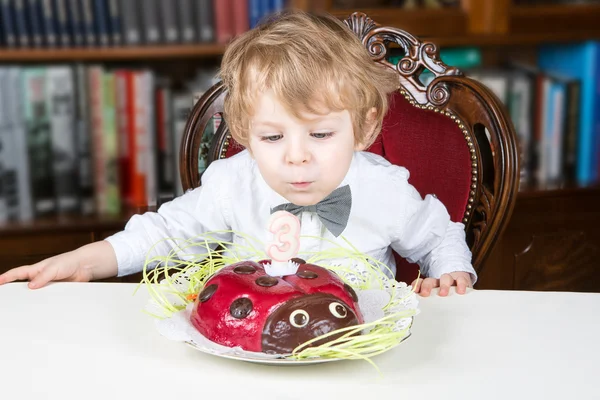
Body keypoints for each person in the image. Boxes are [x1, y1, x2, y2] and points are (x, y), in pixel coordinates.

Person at [0, 10, 475, 297]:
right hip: (246, 346)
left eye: (321, 135)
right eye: (273, 138)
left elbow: (438, 238)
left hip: (359, 351)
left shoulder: (383, 188)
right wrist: (84, 261)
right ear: (245, 131)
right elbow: (164, 232)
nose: (296, 158)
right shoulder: (232, 182)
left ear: (366, 127)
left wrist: (450, 273)